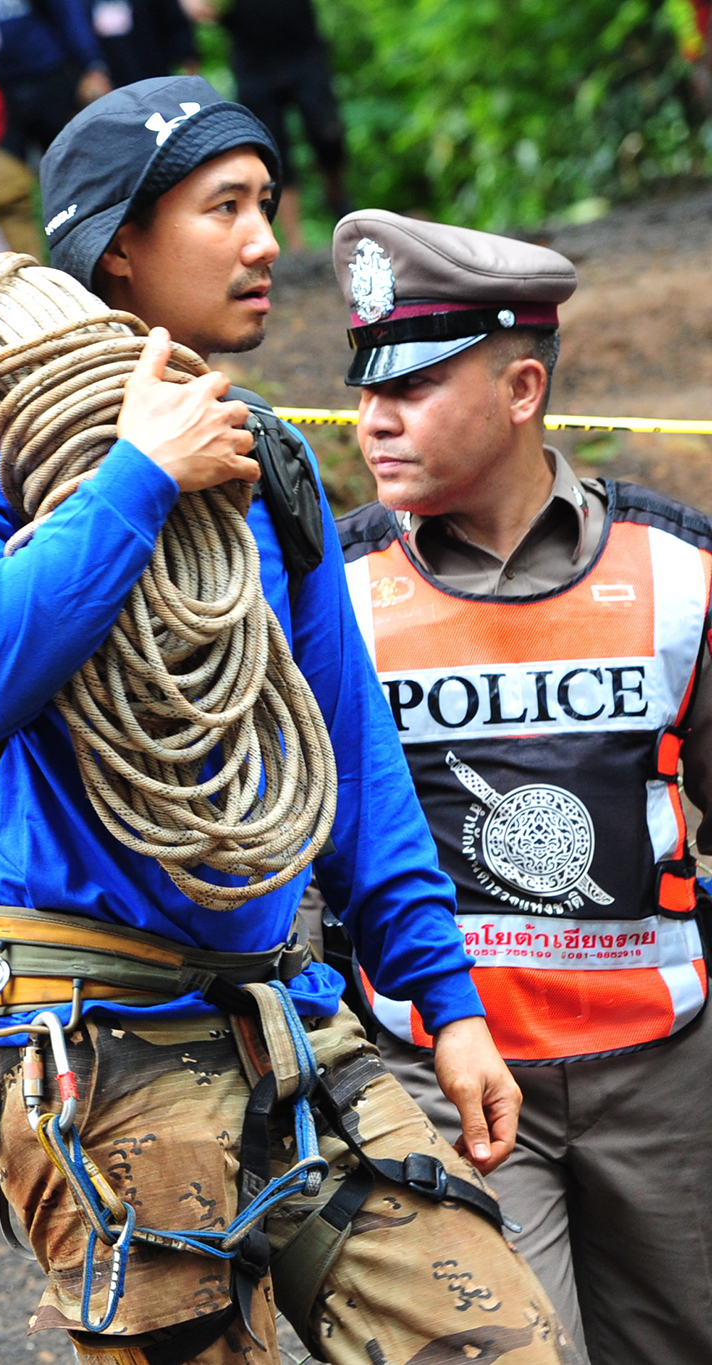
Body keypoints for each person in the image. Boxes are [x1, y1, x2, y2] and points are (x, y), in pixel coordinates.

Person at [0, 78, 564, 1364]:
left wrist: (448, 1003)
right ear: (117, 244)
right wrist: (136, 476)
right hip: (89, 1028)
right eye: (223, 207)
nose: (264, 241)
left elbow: (349, 764)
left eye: (263, 203)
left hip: (287, 1013)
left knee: (499, 1341)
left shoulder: (266, 465)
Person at [331, 210, 712, 1365]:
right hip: (441, 1080)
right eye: (364, 391)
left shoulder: (677, 571)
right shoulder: (331, 594)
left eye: (413, 387)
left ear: (520, 388)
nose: (371, 419)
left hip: (664, 1078)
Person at [0, 0, 113, 258]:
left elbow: (68, 13)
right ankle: (33, 279)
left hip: (52, 81)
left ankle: (93, 265)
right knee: (4, 194)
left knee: (81, 180)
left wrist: (91, 65)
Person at [180, 0, 349, 251]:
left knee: (327, 133)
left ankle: (336, 196)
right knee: (271, 149)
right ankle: (295, 244)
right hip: (253, 61)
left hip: (303, 50)